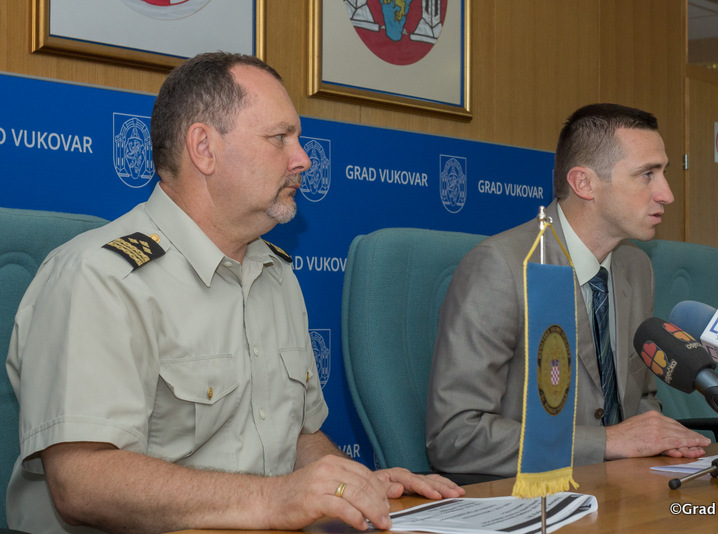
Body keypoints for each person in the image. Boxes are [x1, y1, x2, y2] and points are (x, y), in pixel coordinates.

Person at [5, 52, 462, 534]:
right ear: (204, 148)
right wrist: (271, 499)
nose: (303, 158)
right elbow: (82, 482)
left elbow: (296, 436)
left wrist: (354, 485)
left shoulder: (275, 274)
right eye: (279, 138)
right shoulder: (99, 277)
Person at [425, 103, 712, 478]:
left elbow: (638, 398)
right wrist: (606, 442)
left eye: (664, 173)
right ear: (584, 183)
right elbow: (455, 436)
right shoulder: (502, 267)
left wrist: (659, 436)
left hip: (621, 489)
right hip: (530, 495)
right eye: (647, 175)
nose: (666, 194)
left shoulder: (636, 267)